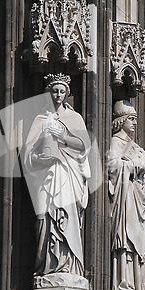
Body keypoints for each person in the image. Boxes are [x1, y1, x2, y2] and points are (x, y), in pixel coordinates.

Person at [24, 74, 91, 276]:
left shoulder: (74, 118)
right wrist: (40, 158)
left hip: (68, 172)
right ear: (48, 93)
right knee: (45, 217)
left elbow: (84, 145)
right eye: (54, 90)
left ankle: (67, 262)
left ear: (67, 94)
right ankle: (49, 263)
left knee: (67, 215)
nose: (58, 95)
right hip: (46, 175)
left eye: (62, 91)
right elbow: (28, 152)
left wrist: (63, 137)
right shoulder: (40, 119)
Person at [108, 100, 145, 290]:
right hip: (125, 201)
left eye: (136, 119)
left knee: (144, 243)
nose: (135, 124)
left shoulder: (132, 146)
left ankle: (138, 286)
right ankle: (124, 283)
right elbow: (112, 167)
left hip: (137, 203)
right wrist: (136, 166)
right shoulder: (115, 142)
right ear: (122, 120)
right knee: (127, 241)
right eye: (132, 119)